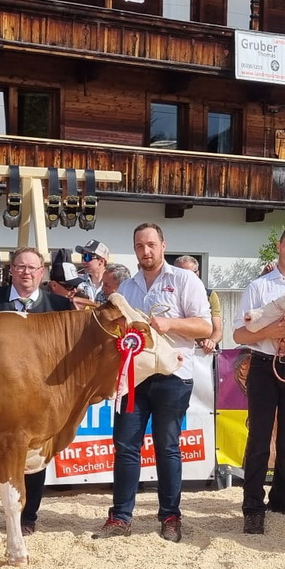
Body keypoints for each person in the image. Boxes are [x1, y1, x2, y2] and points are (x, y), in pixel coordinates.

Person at [94, 223, 211, 543]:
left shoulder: (185, 280)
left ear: (163, 245)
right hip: (134, 378)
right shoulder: (127, 288)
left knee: (167, 448)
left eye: (151, 245)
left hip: (174, 376)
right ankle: (120, 517)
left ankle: (170, 516)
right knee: (125, 447)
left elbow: (205, 325)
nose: (145, 251)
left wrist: (170, 323)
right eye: (139, 246)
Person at [0, 248, 76, 544]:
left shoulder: (59, 305)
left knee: (34, 456)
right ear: (11, 271)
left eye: (32, 268)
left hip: (41, 398)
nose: (26, 273)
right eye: (20, 267)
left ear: (42, 272)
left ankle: (28, 517)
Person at [231, 226, 285, 534]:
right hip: (264, 365)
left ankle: (281, 503)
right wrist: (270, 334)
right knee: (260, 439)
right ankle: (253, 506)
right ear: (279, 246)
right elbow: (239, 333)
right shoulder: (258, 286)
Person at [174, 255, 223, 354]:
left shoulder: (210, 295)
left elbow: (218, 330)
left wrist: (211, 341)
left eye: (189, 273)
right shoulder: (167, 295)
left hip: (202, 352)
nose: (185, 277)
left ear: (197, 273)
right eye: (180, 273)